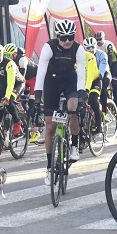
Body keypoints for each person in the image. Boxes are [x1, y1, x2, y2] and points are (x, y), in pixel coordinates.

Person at [35, 19, 95, 184]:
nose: (67, 41)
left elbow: (81, 74)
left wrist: (82, 97)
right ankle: (49, 168)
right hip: (51, 83)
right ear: (57, 37)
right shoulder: (49, 47)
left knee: (73, 108)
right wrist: (37, 97)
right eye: (63, 38)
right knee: (50, 125)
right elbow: (41, 72)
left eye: (70, 37)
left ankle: (74, 146)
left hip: (70, 82)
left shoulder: (78, 49)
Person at [83, 36, 108, 122]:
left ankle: (104, 113)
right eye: (88, 48)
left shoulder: (102, 54)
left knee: (102, 89)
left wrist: (100, 74)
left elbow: (102, 67)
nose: (90, 49)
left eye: (92, 47)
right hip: (89, 78)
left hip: (102, 75)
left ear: (95, 46)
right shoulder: (83, 56)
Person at [95, 31, 117, 105]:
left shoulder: (109, 44)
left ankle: (116, 102)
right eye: (97, 39)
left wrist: (108, 69)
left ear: (104, 38)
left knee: (114, 82)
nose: (98, 41)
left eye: (100, 39)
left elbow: (110, 58)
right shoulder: (95, 46)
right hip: (104, 63)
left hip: (114, 63)